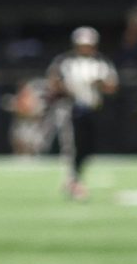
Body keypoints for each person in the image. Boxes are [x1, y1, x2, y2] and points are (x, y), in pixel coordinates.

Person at [49, 27, 120, 200]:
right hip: (70, 109)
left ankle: (74, 179)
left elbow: (113, 87)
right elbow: (53, 82)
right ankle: (73, 181)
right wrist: (67, 90)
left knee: (87, 148)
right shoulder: (65, 61)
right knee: (71, 147)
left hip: (92, 110)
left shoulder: (102, 63)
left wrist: (100, 84)